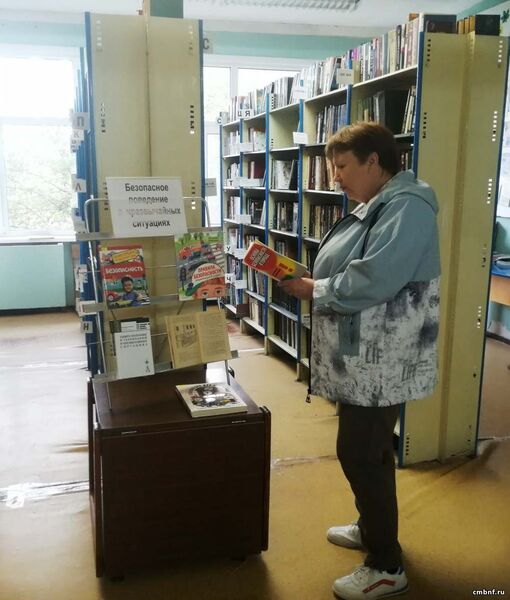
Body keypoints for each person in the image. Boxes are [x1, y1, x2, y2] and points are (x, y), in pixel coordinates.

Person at [279, 121, 440, 599]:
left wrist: (315, 289)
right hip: (365, 358)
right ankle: (373, 529)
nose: (335, 178)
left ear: (374, 161)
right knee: (369, 450)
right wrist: (312, 279)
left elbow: (376, 276)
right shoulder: (380, 203)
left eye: (342, 166)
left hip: (383, 360)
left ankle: (386, 565)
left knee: (361, 453)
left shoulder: (408, 207)